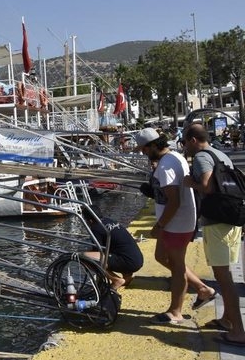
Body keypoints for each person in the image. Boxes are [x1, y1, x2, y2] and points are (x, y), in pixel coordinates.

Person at [135, 127, 216, 324]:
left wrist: (160, 225)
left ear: (154, 145)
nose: (142, 153)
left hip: (176, 224)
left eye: (144, 149)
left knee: (178, 268)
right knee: (160, 256)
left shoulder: (166, 166)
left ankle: (176, 312)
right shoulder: (173, 158)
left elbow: (174, 201)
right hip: (179, 221)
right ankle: (203, 289)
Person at [182, 123, 245, 345]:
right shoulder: (220, 154)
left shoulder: (201, 157)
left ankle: (238, 331)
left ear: (192, 140)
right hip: (232, 220)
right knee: (225, 272)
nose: (184, 147)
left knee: (224, 278)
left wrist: (190, 182)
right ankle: (227, 320)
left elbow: (207, 186)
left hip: (218, 222)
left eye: (184, 141)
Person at [82, 210, 144, 290]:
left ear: (89, 220)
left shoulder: (96, 227)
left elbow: (97, 251)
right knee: (119, 249)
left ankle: (116, 280)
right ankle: (127, 277)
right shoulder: (109, 221)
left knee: (85, 258)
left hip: (128, 262)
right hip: (137, 260)